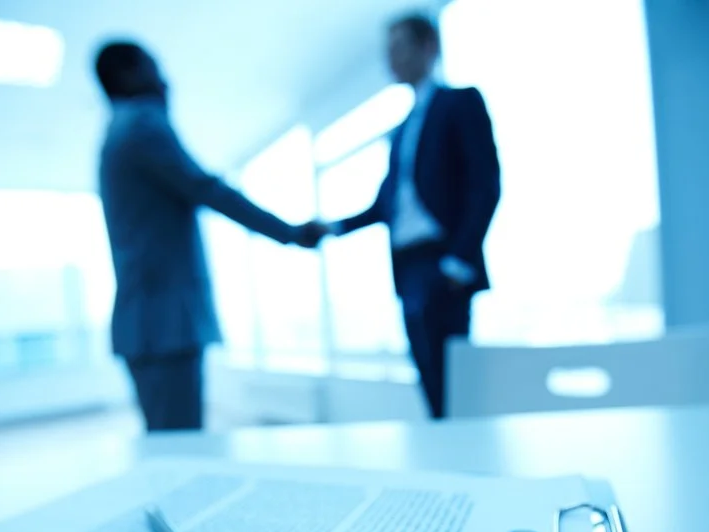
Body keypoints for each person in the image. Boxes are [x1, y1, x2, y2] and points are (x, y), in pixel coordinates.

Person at [93, 40, 324, 432]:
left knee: (168, 442)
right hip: (164, 324)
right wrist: (290, 233)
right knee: (178, 445)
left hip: (148, 324)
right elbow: (207, 189)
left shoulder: (117, 131)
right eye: (154, 66)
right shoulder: (141, 125)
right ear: (128, 73)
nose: (164, 78)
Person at [323, 14, 501, 419]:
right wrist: (333, 227)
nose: (393, 59)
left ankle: (467, 469)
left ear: (429, 47)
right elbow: (385, 204)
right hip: (408, 267)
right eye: (388, 51)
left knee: (458, 387)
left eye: (400, 47)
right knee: (429, 381)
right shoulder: (402, 131)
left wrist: (459, 260)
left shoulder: (460, 102)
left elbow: (485, 185)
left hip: (445, 260)